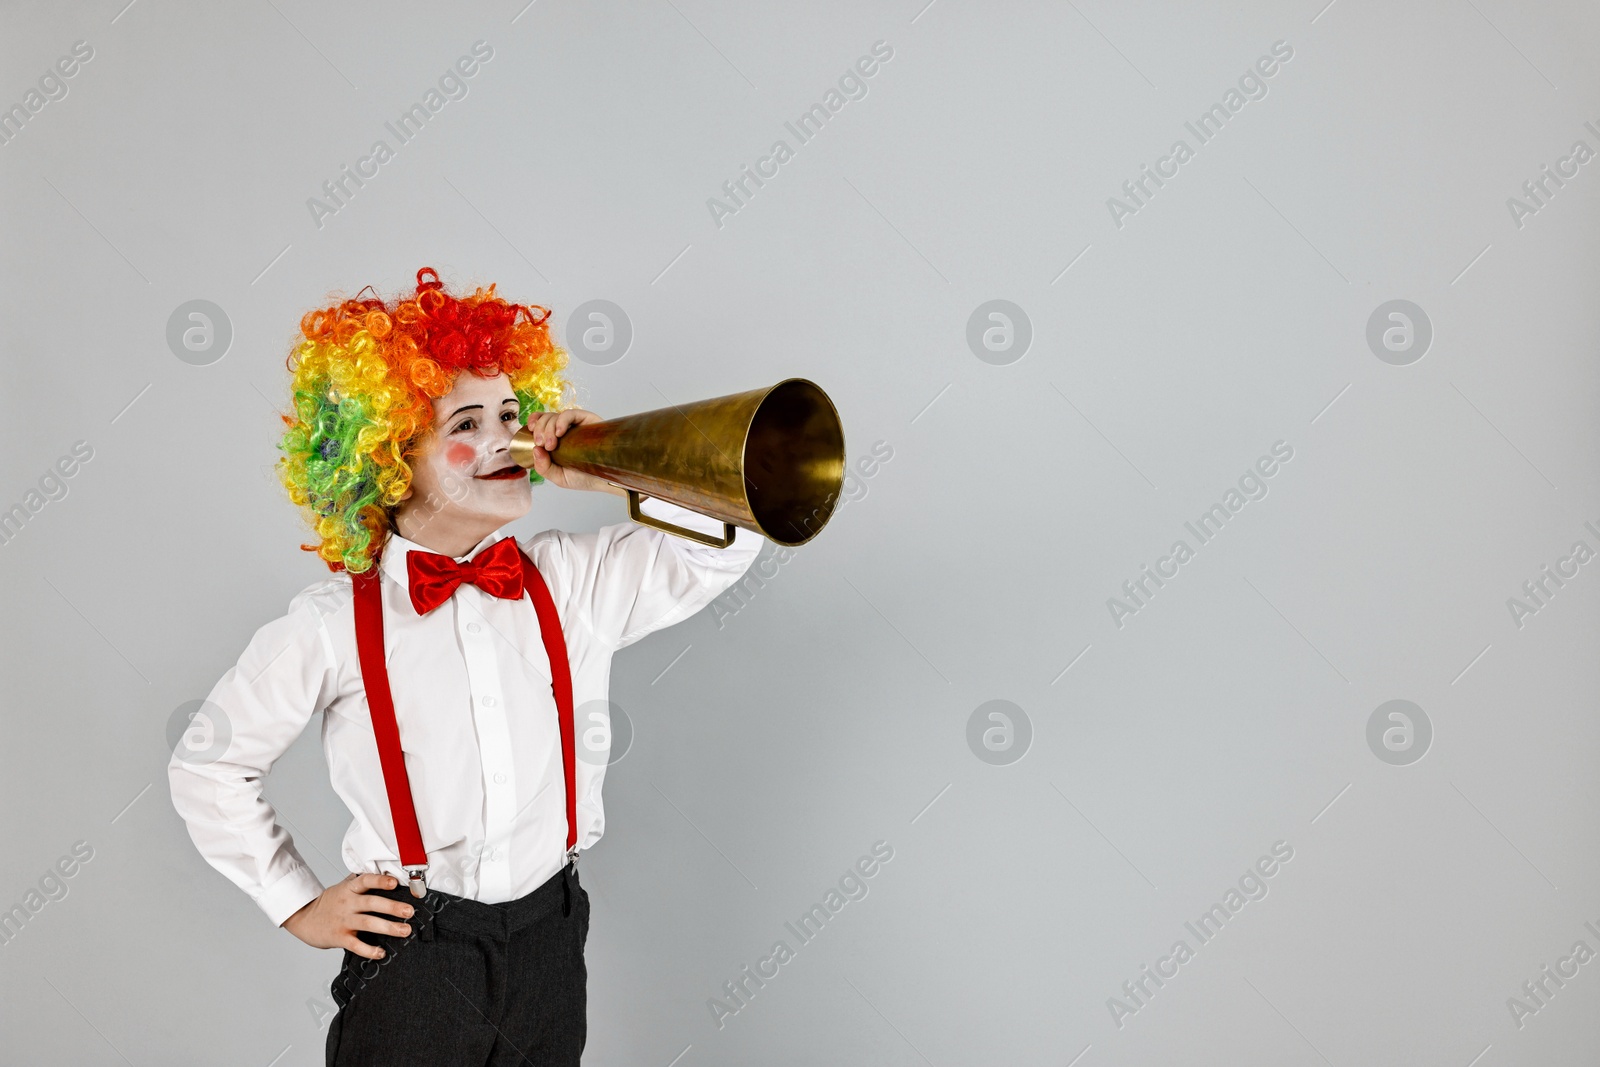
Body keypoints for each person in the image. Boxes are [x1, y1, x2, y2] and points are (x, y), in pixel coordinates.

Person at [166, 267, 761, 1065]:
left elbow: (730, 534)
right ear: (388, 455)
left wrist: (613, 459)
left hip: (551, 938)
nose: (506, 440)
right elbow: (208, 764)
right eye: (469, 421)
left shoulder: (572, 581)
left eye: (514, 415)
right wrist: (296, 901)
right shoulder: (335, 623)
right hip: (417, 955)